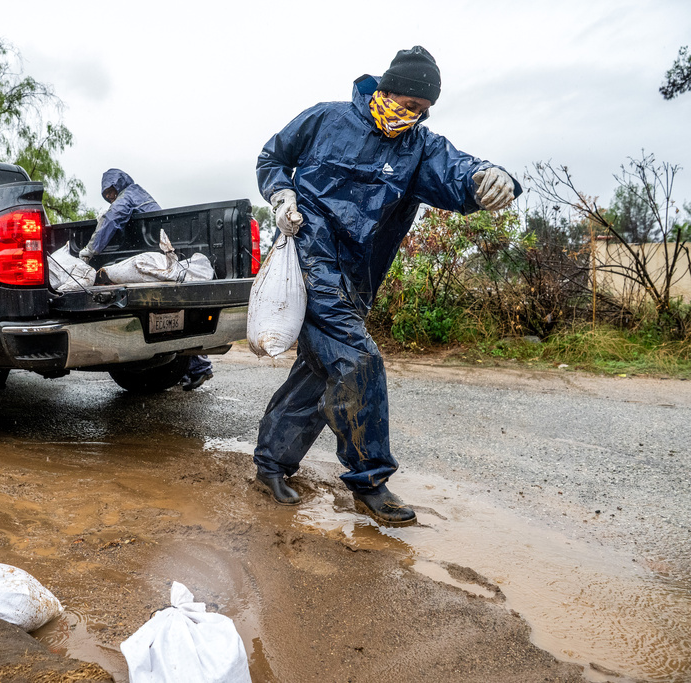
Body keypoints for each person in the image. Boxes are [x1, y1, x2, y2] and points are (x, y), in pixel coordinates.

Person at [253, 46, 520, 525]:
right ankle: (370, 480)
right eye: (411, 106)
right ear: (387, 89)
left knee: (320, 368)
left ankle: (271, 463)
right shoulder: (325, 120)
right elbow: (272, 157)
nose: (414, 118)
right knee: (357, 361)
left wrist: (490, 177)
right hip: (309, 260)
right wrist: (281, 193)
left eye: (424, 113)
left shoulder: (418, 148)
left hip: (357, 278)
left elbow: (458, 172)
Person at [80, 168, 214, 389]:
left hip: (155, 259)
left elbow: (111, 222)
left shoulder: (129, 195)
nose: (111, 197)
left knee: (167, 321)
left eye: (111, 191)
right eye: (107, 195)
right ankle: (197, 367)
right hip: (161, 254)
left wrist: (89, 251)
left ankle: (199, 367)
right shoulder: (138, 194)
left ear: (118, 184)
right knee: (174, 320)